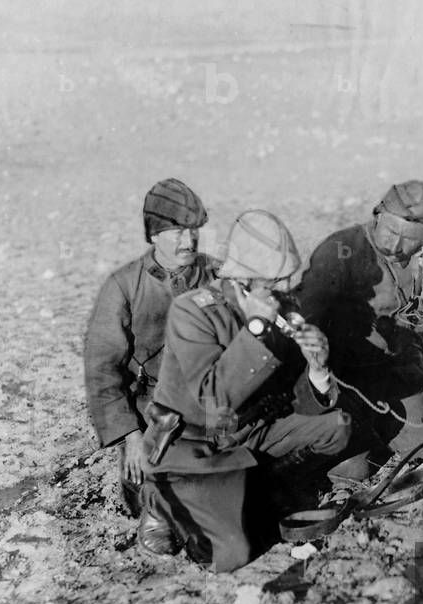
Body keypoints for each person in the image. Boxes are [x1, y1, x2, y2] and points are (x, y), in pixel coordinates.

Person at [139, 210, 351, 572]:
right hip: (197, 446)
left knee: (338, 427)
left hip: (251, 433)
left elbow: (293, 396)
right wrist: (255, 331)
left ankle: (256, 488)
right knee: (229, 555)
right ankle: (158, 500)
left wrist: (317, 370)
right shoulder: (193, 313)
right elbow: (214, 400)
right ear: (242, 282)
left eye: (286, 284)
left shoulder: (280, 308)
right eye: (273, 285)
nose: (283, 295)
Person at [296, 180, 423, 468]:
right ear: (377, 215)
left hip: (398, 375)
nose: (396, 246)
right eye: (391, 231)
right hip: (344, 376)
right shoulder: (340, 250)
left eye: (409, 238)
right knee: (351, 469)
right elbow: (308, 317)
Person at [84, 178, 214, 516]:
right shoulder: (123, 286)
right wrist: (130, 438)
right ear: (154, 234)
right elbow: (103, 371)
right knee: (151, 505)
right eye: (178, 232)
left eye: (193, 230)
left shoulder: (215, 274)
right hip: (153, 413)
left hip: (211, 401)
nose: (190, 241)